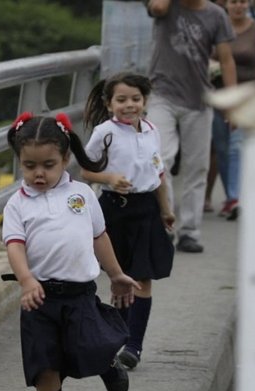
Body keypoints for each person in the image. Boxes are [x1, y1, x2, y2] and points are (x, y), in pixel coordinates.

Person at [2, 112, 140, 391]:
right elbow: (14, 246)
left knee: (90, 349)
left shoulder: (81, 195)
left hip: (79, 294)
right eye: (29, 165)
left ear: (65, 159)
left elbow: (99, 236)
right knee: (44, 367)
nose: (38, 174)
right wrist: (26, 280)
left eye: (48, 165)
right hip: (40, 299)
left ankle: (108, 365)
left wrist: (116, 273)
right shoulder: (16, 204)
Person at [81, 72, 175, 370]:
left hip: (146, 209)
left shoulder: (151, 131)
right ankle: (117, 340)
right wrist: (109, 177)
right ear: (109, 104)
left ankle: (134, 346)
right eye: (121, 100)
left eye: (135, 99)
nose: (129, 105)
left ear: (144, 101)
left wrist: (165, 210)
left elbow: (158, 175)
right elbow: (86, 171)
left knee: (143, 279)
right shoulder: (104, 133)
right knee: (119, 279)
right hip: (114, 210)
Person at [145, 0, 236, 254]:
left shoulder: (216, 15)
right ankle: (166, 225)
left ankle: (190, 231)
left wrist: (232, 101)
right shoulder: (168, 6)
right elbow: (158, 8)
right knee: (160, 160)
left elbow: (227, 60)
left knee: (197, 167)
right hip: (161, 94)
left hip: (199, 100)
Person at [214, 0, 255, 220]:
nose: (238, 6)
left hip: (249, 98)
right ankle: (231, 195)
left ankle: (235, 197)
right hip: (219, 96)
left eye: (242, 1)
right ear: (227, 5)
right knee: (221, 147)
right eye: (233, 2)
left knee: (236, 146)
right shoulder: (216, 27)